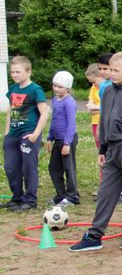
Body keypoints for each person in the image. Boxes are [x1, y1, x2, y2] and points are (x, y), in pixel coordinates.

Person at [70, 53, 122, 251]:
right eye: (110, 69)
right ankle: (95, 235)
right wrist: (102, 148)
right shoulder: (108, 92)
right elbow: (104, 119)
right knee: (105, 192)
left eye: (115, 70)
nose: (111, 73)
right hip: (111, 149)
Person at [2, 56, 49, 212]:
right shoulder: (13, 89)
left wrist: (35, 134)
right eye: (12, 72)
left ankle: (30, 200)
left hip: (28, 133)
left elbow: (44, 113)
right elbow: (11, 111)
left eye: (18, 72)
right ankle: (17, 198)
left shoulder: (35, 90)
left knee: (28, 167)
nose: (14, 75)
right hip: (13, 134)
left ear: (28, 72)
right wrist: (7, 133)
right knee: (10, 167)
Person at [46, 71, 80, 207]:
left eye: (60, 87)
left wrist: (67, 143)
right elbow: (54, 120)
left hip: (67, 139)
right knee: (54, 167)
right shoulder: (55, 100)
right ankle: (61, 195)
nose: (56, 89)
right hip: (57, 139)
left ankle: (73, 196)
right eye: (54, 85)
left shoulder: (69, 102)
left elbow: (71, 123)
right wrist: (50, 137)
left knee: (68, 167)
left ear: (68, 88)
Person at [85, 63, 102, 149]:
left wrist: (96, 108)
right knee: (99, 146)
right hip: (95, 121)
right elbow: (89, 109)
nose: (93, 84)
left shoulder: (108, 88)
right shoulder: (93, 89)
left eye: (94, 82)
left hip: (104, 122)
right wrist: (101, 109)